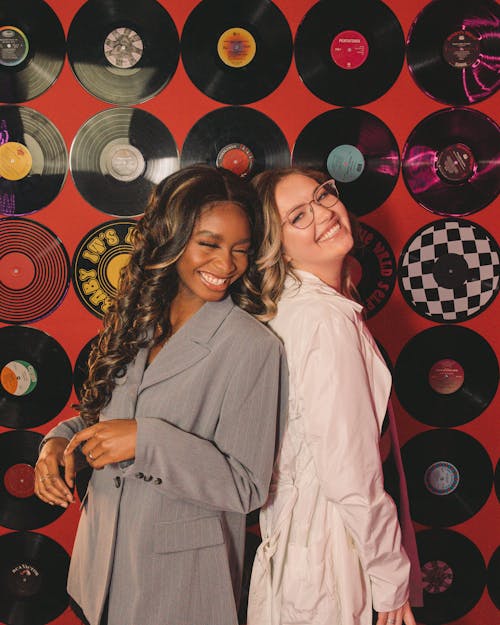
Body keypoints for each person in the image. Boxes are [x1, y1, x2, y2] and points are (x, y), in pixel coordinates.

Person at [34, 165, 288, 625]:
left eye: (240, 250)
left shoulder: (253, 348)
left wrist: (146, 441)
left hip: (180, 591)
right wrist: (55, 443)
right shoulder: (137, 321)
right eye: (209, 244)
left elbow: (247, 486)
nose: (226, 264)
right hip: (98, 575)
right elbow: (101, 420)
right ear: (169, 238)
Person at [247, 168, 421, 625]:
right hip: (334, 553)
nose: (324, 213)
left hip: (305, 547)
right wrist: (391, 579)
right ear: (275, 245)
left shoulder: (297, 309)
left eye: (322, 196)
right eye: (298, 216)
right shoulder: (324, 321)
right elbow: (351, 475)